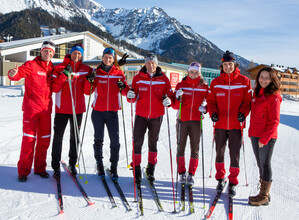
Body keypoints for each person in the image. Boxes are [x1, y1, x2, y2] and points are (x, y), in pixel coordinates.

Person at [8, 41, 55, 182]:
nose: (48, 54)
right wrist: (13, 74)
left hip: (46, 111)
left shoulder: (53, 69)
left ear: (53, 54)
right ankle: (23, 171)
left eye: (51, 52)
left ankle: (40, 168)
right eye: (46, 51)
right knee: (28, 140)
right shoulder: (31, 65)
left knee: (44, 141)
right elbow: (18, 74)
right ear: (41, 52)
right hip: (31, 110)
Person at [207, 50, 251, 196]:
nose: (228, 67)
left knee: (234, 154)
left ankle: (233, 181)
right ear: (222, 66)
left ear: (235, 64)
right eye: (225, 64)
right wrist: (212, 113)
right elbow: (211, 101)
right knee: (219, 153)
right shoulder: (215, 82)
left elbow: (247, 102)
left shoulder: (244, 81)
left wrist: (243, 114)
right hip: (219, 124)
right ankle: (220, 179)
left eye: (230, 64)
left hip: (235, 125)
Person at [127, 53, 174, 184]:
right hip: (141, 115)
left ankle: (150, 168)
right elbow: (132, 96)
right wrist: (130, 96)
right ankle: (136, 168)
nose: (150, 65)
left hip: (156, 116)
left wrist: (168, 101)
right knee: (137, 142)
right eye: (148, 63)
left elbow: (169, 95)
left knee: (153, 143)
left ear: (156, 64)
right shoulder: (138, 78)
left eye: (153, 63)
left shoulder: (164, 79)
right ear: (145, 64)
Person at [84, 47, 129, 180]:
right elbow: (88, 92)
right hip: (97, 112)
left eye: (110, 58)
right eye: (105, 57)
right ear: (102, 57)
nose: (107, 59)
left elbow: (126, 93)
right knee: (98, 139)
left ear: (113, 59)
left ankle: (113, 167)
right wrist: (89, 80)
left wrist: (123, 87)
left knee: (115, 141)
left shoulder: (119, 74)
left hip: (112, 112)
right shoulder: (96, 72)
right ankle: (99, 165)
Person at [51, 44, 93, 179]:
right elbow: (55, 88)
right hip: (62, 109)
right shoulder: (58, 68)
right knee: (58, 137)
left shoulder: (86, 69)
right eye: (74, 53)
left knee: (75, 138)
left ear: (82, 55)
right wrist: (64, 74)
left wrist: (89, 80)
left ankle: (72, 163)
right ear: (70, 53)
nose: (76, 55)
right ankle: (55, 165)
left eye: (79, 54)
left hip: (77, 110)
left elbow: (88, 91)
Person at [248, 66, 282, 206]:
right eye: (262, 77)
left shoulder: (274, 96)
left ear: (272, 79)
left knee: (265, 164)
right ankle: (264, 195)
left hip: (266, 137)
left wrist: (264, 139)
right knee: (260, 164)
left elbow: (274, 121)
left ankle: (264, 195)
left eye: (267, 77)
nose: (264, 80)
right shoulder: (257, 94)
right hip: (255, 135)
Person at [172, 62, 208, 185]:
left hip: (196, 121)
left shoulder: (204, 86)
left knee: (195, 149)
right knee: (180, 147)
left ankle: (191, 174)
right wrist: (177, 97)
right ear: (188, 72)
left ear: (199, 73)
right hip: (182, 119)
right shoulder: (181, 85)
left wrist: (205, 109)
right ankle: (182, 173)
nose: (193, 74)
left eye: (196, 72)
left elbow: (211, 102)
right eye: (191, 72)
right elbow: (174, 105)